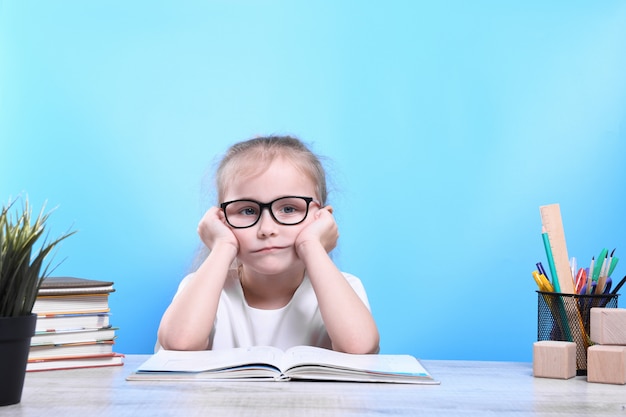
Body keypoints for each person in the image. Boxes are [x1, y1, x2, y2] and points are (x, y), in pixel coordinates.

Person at [157, 135, 379, 354]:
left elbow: (359, 346)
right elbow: (179, 343)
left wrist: (312, 244)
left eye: (289, 209)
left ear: (322, 219)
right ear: (221, 220)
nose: (267, 229)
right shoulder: (202, 287)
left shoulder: (345, 287)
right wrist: (222, 245)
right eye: (247, 210)